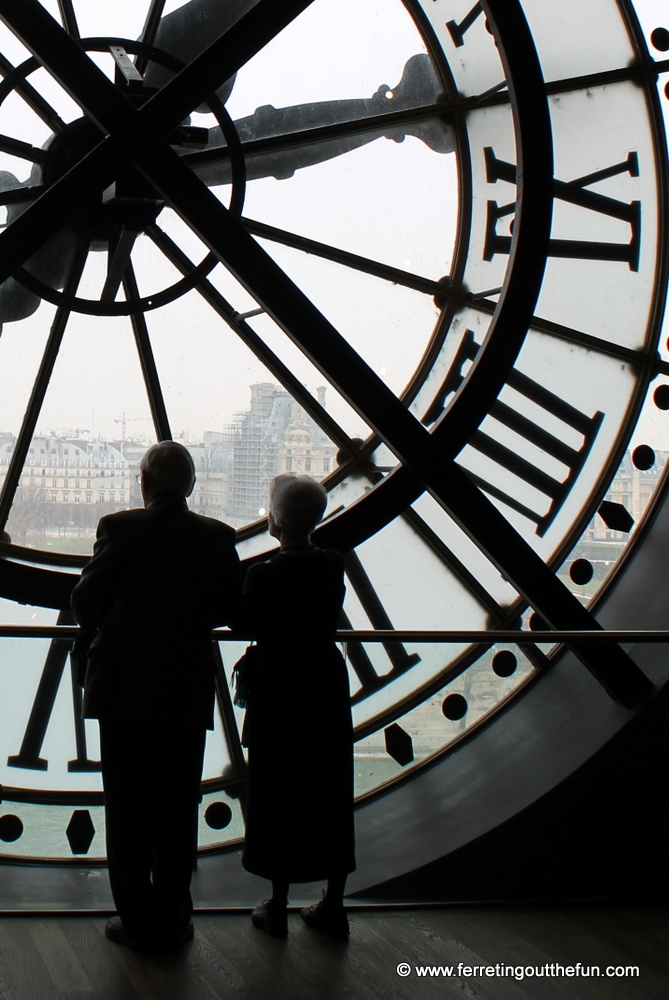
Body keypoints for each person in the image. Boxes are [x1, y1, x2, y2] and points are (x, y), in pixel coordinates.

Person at [71, 440, 240, 954]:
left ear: (143, 483)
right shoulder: (215, 538)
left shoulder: (118, 530)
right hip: (182, 691)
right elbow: (232, 607)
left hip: (122, 689)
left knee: (127, 813)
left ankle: (136, 918)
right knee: (175, 810)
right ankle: (172, 916)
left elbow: (85, 602)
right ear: (191, 485)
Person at [238, 473, 355, 939]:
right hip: (323, 683)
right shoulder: (331, 565)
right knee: (329, 787)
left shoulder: (263, 575)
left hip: (278, 686)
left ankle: (279, 901)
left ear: (276, 520)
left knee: (277, 789)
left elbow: (244, 621)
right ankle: (333, 902)